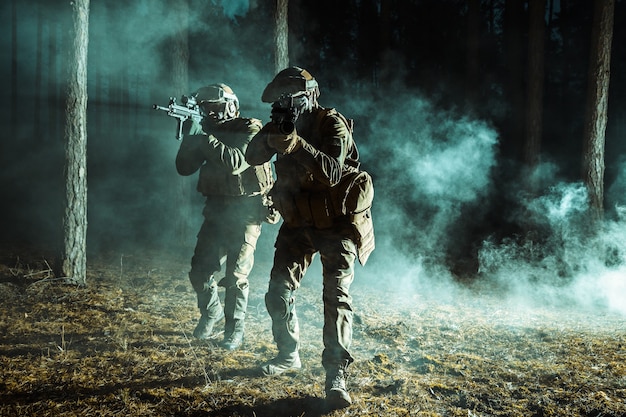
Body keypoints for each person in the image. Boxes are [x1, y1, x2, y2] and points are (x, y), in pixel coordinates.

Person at [245, 67, 375, 409]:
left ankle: (336, 374)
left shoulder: (331, 124)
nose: (287, 105)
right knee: (277, 292)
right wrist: (273, 131)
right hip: (298, 222)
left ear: (311, 96)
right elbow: (251, 156)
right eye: (281, 100)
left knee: (336, 298)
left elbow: (332, 172)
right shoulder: (283, 122)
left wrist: (295, 143)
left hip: (336, 223)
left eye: (292, 99)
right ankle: (288, 355)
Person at [175, 83, 276, 351]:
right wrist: (191, 134)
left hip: (246, 213)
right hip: (217, 211)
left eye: (217, 109)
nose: (212, 115)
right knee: (200, 271)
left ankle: (234, 328)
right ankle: (211, 314)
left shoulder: (250, 129)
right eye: (207, 110)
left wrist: (203, 134)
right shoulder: (207, 130)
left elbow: (234, 163)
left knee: (235, 277)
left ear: (232, 106)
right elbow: (183, 168)